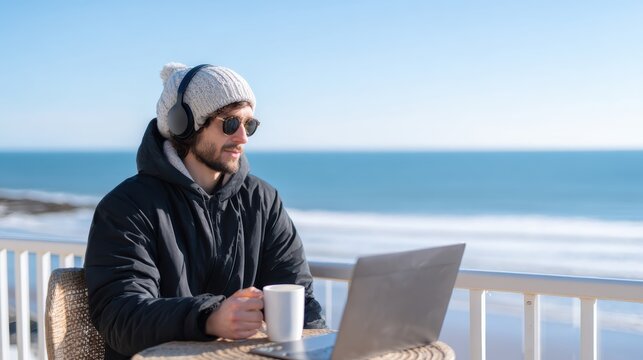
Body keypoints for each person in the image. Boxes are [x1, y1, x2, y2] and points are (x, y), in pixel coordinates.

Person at [84, 62, 326, 359]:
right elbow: (120, 316)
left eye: (249, 124)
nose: (243, 138)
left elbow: (300, 300)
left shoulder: (263, 200)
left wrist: (321, 350)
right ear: (183, 124)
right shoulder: (126, 207)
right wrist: (209, 318)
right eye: (229, 123)